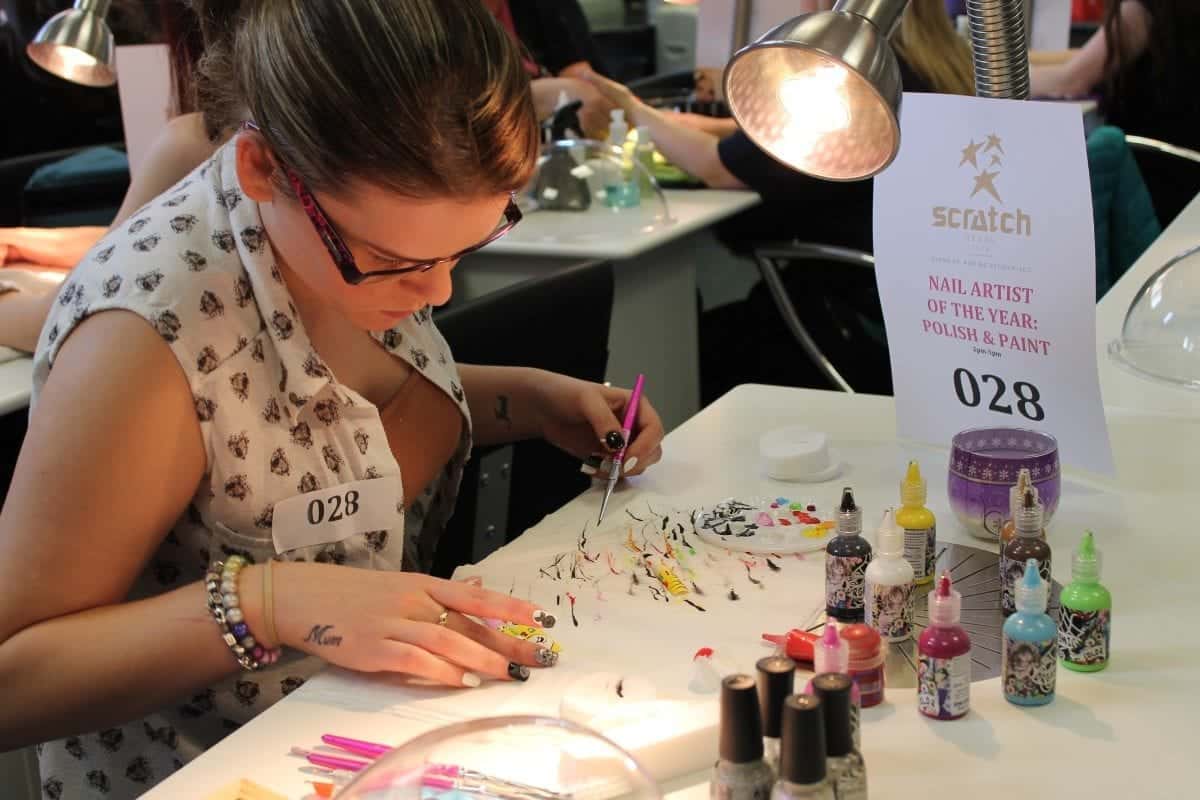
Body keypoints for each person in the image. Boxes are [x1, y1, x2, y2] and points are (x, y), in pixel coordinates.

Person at [0, 3, 663, 799]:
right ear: (262, 170)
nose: (438, 291)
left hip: (369, 741)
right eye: (395, 262)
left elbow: (309, 423)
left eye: (463, 250)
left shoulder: (343, 224)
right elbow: (12, 679)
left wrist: (529, 400)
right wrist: (268, 601)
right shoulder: (145, 340)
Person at [582, 0, 975, 251]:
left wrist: (630, 106)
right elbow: (787, 130)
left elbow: (716, 167)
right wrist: (689, 122)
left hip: (836, 299)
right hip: (895, 291)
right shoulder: (939, 65)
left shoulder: (859, 80)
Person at [1031, 0, 1200, 150]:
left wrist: (1017, 76)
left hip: (1144, 162)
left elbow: (1070, 82)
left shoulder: (1136, 12)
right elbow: (1085, 60)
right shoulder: (1175, 10)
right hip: (1183, 155)